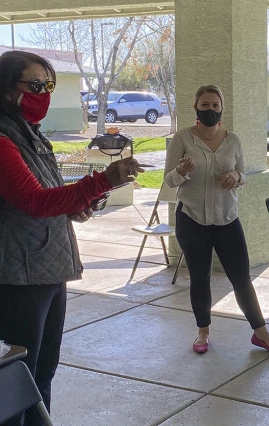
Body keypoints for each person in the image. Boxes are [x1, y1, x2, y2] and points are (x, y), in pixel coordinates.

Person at [0, 50, 143, 426]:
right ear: (5, 89)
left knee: (42, 373)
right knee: (17, 381)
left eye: (49, 85)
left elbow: (46, 192)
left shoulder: (29, 134)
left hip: (49, 266)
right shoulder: (1, 141)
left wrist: (76, 204)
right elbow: (31, 200)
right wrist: (100, 181)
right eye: (34, 85)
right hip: (19, 277)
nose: (44, 94)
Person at [164, 85, 269, 357]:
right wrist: (181, 171)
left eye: (215, 105)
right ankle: (203, 332)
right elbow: (169, 180)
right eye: (205, 105)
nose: (210, 110)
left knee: (241, 278)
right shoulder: (182, 138)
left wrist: (236, 177)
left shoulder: (233, 140)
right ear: (196, 107)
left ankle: (261, 333)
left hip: (226, 219)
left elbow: (242, 175)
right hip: (192, 219)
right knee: (200, 277)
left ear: (222, 108)